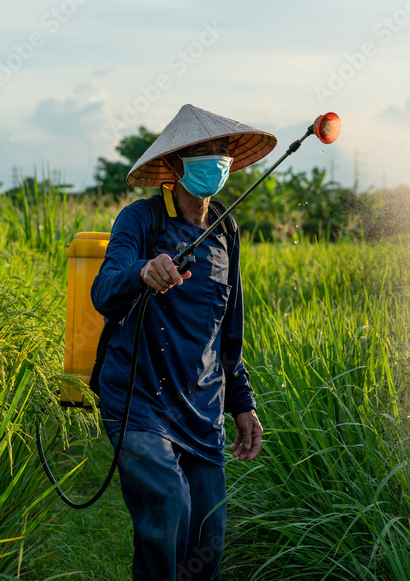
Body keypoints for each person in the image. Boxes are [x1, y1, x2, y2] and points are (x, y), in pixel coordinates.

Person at [91, 105, 277, 580]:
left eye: (220, 150)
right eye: (201, 151)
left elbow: (227, 329)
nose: (214, 159)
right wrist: (143, 272)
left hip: (202, 407)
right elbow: (105, 289)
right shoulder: (141, 220)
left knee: (207, 538)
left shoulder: (226, 231)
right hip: (138, 402)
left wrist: (242, 402)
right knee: (168, 508)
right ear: (174, 166)